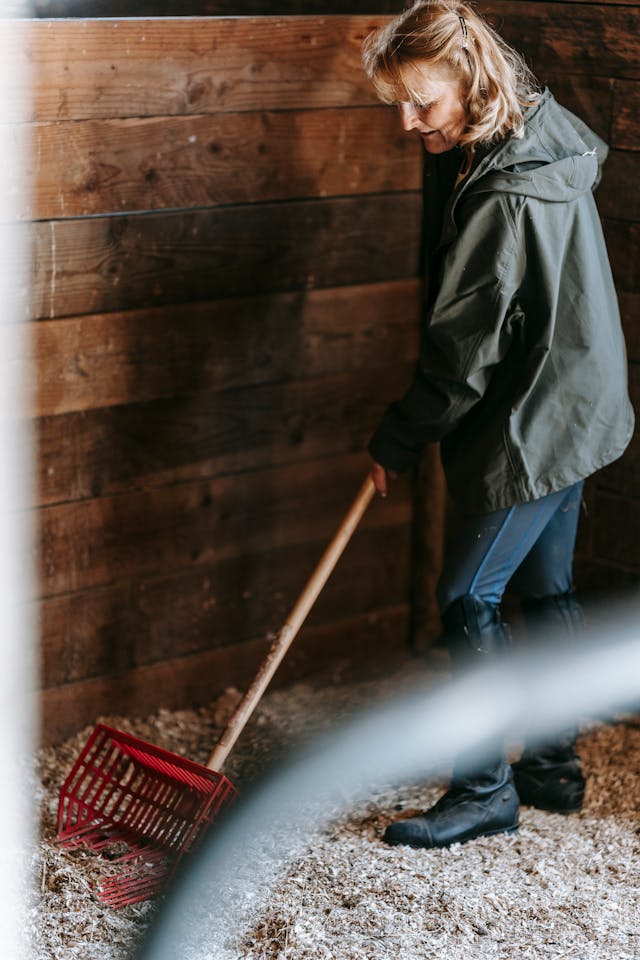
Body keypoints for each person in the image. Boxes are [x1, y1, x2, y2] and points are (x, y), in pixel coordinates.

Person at [361, 0, 634, 849]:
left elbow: (460, 358)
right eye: (399, 105)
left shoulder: (501, 198)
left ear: (471, 81)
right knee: (546, 587)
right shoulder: (539, 132)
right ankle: (552, 767)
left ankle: (485, 791)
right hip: (581, 396)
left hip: (540, 413)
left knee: (464, 594)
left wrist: (398, 440)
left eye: (422, 103)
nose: (409, 122)